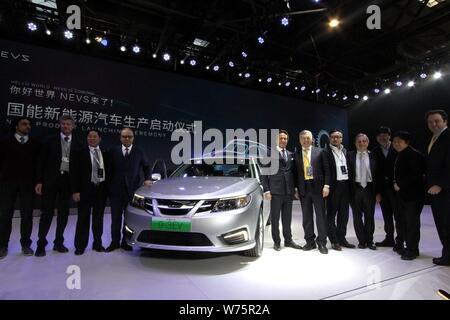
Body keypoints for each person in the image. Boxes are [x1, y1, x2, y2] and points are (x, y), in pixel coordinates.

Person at [35, 115, 82, 257]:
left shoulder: (79, 144)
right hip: (50, 181)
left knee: (63, 214)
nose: (66, 126)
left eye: (68, 124)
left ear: (73, 126)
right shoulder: (49, 141)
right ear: (60, 125)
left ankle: (58, 243)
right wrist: (39, 181)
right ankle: (41, 244)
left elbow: (80, 169)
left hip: (67, 182)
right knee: (47, 213)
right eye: (63, 124)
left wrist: (77, 189)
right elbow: (40, 162)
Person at [0, 118, 41, 259]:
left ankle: (26, 244)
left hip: (28, 184)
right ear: (16, 126)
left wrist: (38, 182)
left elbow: (38, 165)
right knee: (5, 215)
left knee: (27, 215)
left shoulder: (35, 143)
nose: (27, 126)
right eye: (24, 124)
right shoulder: (5, 142)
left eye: (29, 124)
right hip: (7, 183)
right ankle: (2, 245)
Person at [107, 128, 151, 252]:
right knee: (115, 218)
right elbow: (108, 170)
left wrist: (148, 179)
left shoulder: (139, 152)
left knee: (128, 219)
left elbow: (146, 166)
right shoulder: (113, 151)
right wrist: (109, 186)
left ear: (133, 138)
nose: (127, 139)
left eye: (129, 137)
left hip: (132, 192)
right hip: (115, 191)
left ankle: (125, 242)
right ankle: (114, 242)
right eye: (124, 136)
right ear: (120, 137)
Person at [261, 130, 302, 251]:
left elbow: (294, 173)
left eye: (285, 139)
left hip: (288, 192)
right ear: (276, 140)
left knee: (287, 218)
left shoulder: (291, 154)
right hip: (275, 191)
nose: (283, 140)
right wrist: (266, 190)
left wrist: (295, 188)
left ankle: (288, 241)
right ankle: (277, 242)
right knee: (275, 219)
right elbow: (264, 174)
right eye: (281, 138)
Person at [71, 130, 109, 255]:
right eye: (89, 136)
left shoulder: (105, 152)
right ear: (87, 138)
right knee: (83, 218)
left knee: (98, 219)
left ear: (100, 139)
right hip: (85, 190)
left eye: (95, 136)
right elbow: (74, 173)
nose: (92, 138)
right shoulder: (79, 153)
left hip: (100, 190)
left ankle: (97, 244)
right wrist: (75, 190)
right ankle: (80, 246)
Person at [294, 130, 330, 254]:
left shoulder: (320, 152)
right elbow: (295, 174)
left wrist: (326, 186)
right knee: (307, 218)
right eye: (303, 138)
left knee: (320, 216)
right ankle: (310, 242)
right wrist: (296, 189)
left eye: (308, 138)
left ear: (312, 139)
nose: (305, 140)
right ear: (299, 140)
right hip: (304, 189)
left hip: (318, 188)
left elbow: (327, 170)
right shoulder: (297, 154)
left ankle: (322, 243)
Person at [391, 131, 425, 260]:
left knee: (412, 224)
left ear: (407, 142)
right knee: (404, 222)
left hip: (413, 196)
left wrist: (400, 185)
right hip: (403, 195)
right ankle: (408, 246)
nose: (395, 144)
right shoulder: (401, 154)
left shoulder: (414, 155)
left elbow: (416, 176)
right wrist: (396, 183)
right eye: (394, 142)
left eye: (398, 141)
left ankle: (412, 250)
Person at [323, 129, 355, 251]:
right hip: (333, 187)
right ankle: (334, 240)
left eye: (338, 137)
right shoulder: (325, 152)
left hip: (345, 186)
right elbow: (325, 170)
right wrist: (326, 186)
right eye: (333, 137)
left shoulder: (345, 151)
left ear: (341, 138)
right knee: (331, 215)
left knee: (344, 215)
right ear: (330, 138)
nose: (335, 139)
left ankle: (342, 238)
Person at [425, 109, 450, 266]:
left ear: (445, 121)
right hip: (437, 190)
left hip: (445, 190)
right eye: (430, 122)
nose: (433, 124)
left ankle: (448, 257)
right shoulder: (435, 137)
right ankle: (447, 253)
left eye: (437, 121)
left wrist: (440, 184)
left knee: (446, 224)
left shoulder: (448, 136)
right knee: (442, 223)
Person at [347, 133, 380, 250]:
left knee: (369, 216)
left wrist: (378, 193)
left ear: (368, 143)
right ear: (355, 143)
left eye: (364, 141)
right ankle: (361, 241)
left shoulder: (374, 155)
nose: (361, 143)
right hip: (355, 189)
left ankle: (369, 241)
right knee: (357, 217)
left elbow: (379, 175)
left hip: (370, 189)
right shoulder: (349, 155)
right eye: (359, 141)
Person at [372, 126, 399, 249]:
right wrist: (377, 192)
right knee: (386, 216)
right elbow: (374, 174)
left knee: (399, 216)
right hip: (382, 190)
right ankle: (389, 239)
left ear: (389, 136)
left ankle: (400, 240)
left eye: (385, 135)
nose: (382, 137)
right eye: (379, 136)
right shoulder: (374, 152)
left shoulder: (397, 148)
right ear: (377, 138)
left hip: (397, 189)